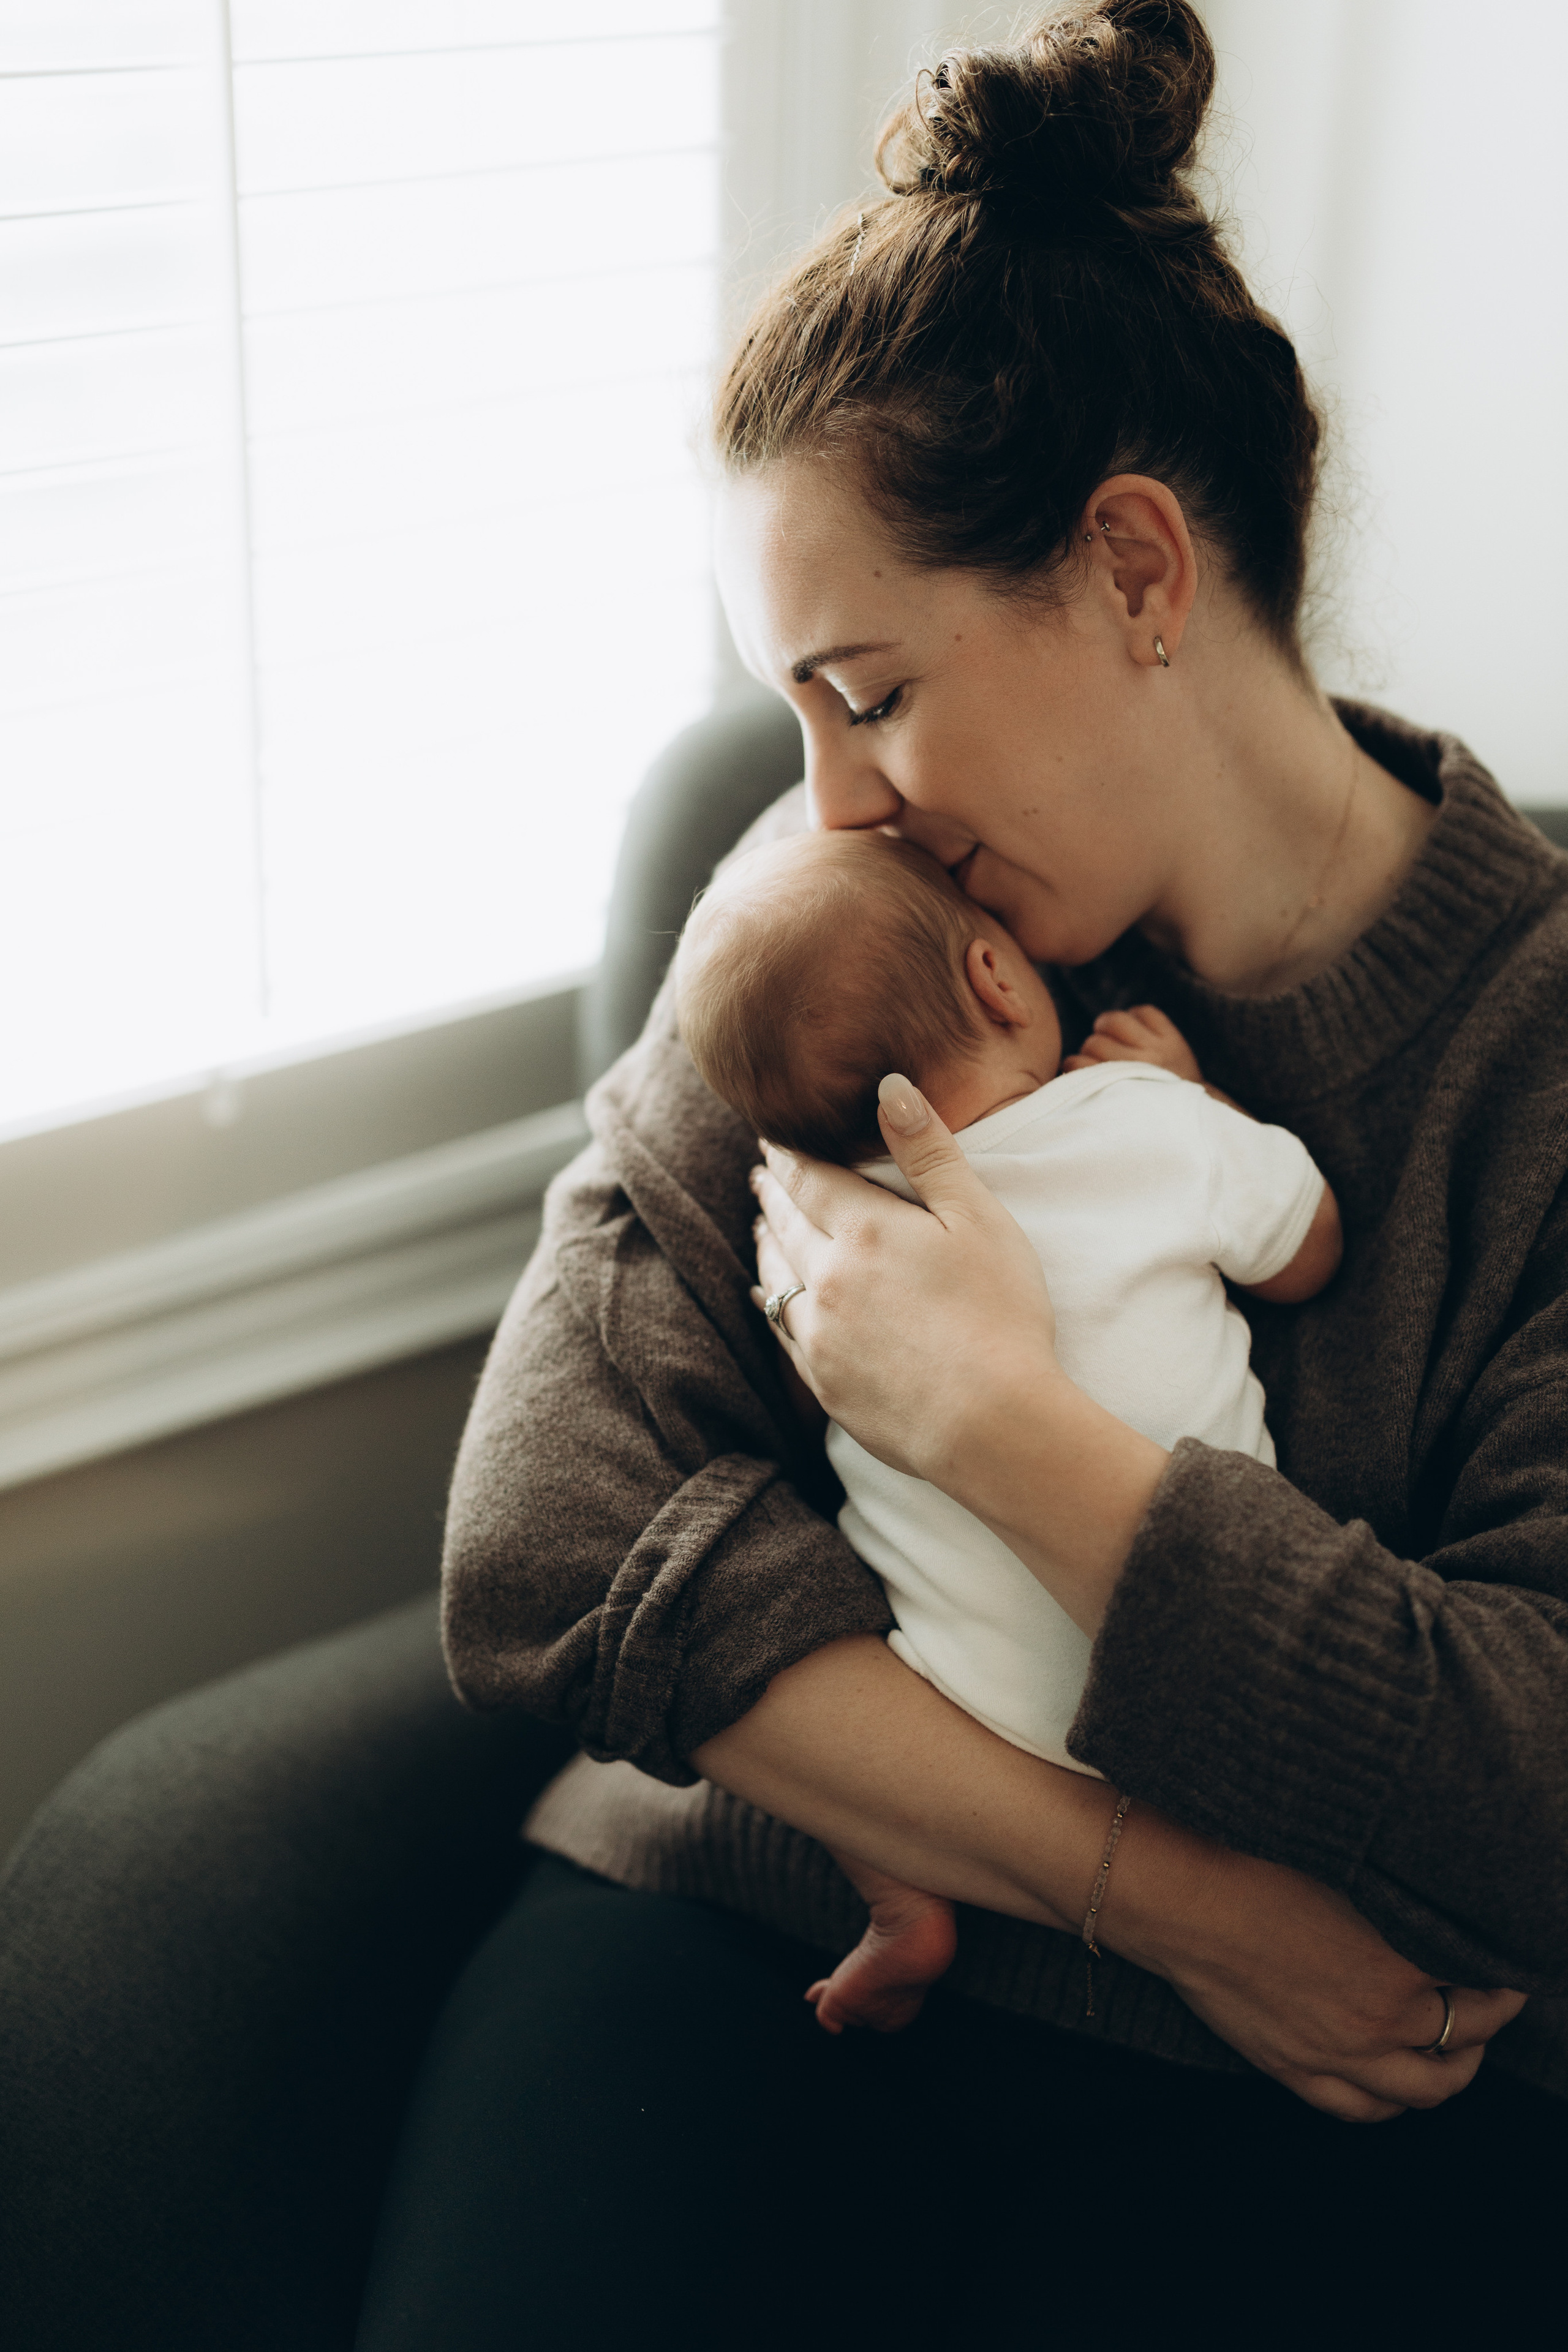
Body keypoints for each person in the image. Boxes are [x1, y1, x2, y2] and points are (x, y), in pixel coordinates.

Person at [355, 6, 1567, 2346]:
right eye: (801, 711)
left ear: (1134, 567)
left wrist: (1013, 1437)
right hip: (749, 1931)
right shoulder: (851, 928)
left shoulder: (1535, 1057)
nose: (826, 802)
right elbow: (540, 1533)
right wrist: (1173, 1895)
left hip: (1307, 2111)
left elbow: (1529, 1774)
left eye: (871, 691)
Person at [674, 824, 1340, 2033]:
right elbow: (1304, 1253)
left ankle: (898, 1900)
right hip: (1204, 1653)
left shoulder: (830, 1251)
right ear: (994, 976)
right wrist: (1199, 1097)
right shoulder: (1135, 1120)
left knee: (859, 1722)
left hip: (957, 1727)